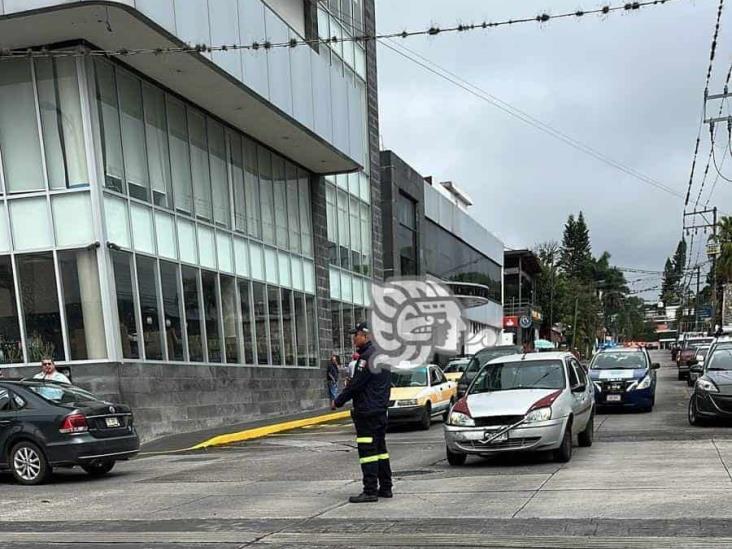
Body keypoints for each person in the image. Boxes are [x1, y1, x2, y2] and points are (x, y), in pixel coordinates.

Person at [334, 322, 393, 503]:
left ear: (367, 336)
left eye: (357, 335)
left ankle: (370, 490)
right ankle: (385, 487)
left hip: (367, 412)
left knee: (367, 452)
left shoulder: (367, 357)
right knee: (380, 450)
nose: (354, 338)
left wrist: (338, 401)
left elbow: (356, 384)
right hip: (379, 410)